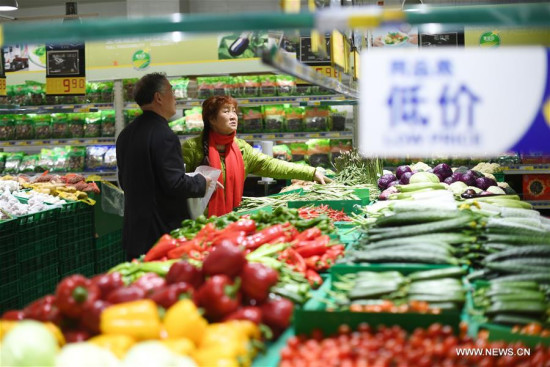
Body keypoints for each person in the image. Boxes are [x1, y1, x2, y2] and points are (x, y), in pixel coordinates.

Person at [182, 95, 331, 217]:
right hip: (198, 221)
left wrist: (311, 172)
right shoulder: (193, 148)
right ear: (212, 119)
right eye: (226, 111)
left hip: (232, 219)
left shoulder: (242, 149)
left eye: (234, 111)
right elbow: (177, 182)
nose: (233, 116)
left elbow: (271, 165)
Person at [116, 72, 211, 260]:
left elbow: (124, 181)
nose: (174, 97)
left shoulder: (126, 134)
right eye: (171, 91)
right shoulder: (164, 134)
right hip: (160, 235)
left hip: (135, 233)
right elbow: (174, 184)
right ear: (158, 98)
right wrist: (202, 181)